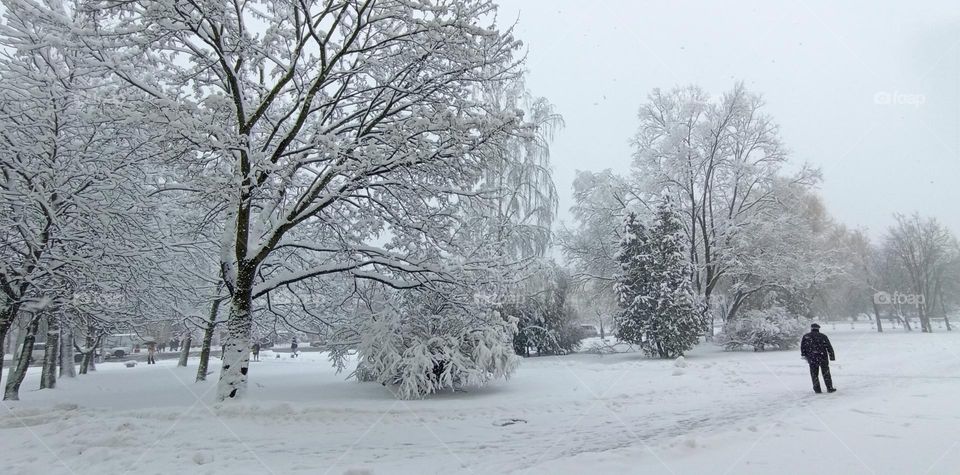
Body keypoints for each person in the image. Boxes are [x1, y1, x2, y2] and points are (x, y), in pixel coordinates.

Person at [800, 323, 836, 393]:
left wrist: (804, 355)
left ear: (811, 328)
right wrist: (832, 356)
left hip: (812, 358)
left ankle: (817, 389)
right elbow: (829, 346)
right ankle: (829, 388)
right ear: (818, 328)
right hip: (823, 357)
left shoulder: (806, 336)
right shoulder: (823, 336)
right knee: (826, 373)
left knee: (814, 374)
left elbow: (803, 347)